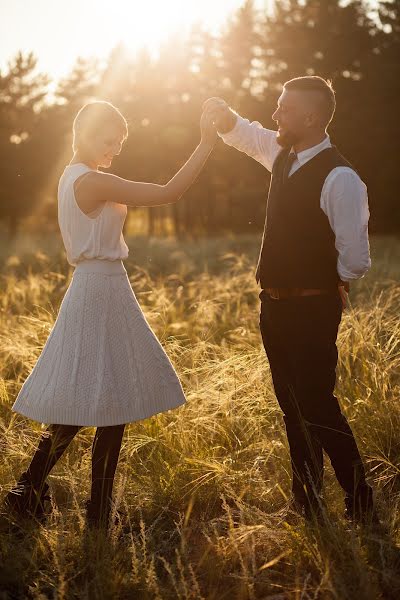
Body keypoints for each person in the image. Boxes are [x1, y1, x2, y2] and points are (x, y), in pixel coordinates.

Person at [4, 100, 217, 530]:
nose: (114, 149)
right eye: (109, 140)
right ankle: (87, 508)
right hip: (99, 290)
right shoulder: (92, 182)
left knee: (94, 399)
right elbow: (168, 193)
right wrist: (206, 143)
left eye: (120, 143)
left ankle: (34, 491)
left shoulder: (71, 178)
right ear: (84, 133)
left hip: (98, 287)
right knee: (104, 400)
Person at [203, 76, 378, 524]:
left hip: (312, 308)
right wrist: (226, 119)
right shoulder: (283, 155)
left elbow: (356, 256)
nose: (276, 114)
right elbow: (250, 136)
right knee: (291, 406)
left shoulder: (341, 177)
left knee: (317, 405)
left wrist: (329, 283)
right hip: (274, 306)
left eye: (283, 107)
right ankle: (308, 502)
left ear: (311, 117)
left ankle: (361, 503)